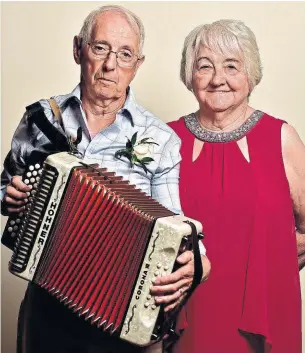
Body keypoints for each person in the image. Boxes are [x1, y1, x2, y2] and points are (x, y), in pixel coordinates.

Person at [1, 5, 210, 353]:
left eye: (125, 54)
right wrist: (10, 194)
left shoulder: (159, 140)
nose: (111, 65)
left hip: (119, 311)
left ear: (137, 65)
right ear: (78, 49)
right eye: (100, 48)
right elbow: (5, 184)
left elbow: (173, 220)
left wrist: (196, 261)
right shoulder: (41, 119)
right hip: (46, 305)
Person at [152, 20, 305, 353]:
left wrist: (275, 265)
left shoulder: (281, 138)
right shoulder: (164, 140)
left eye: (231, 66)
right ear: (189, 75)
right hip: (186, 317)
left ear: (251, 75)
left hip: (262, 320)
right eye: (205, 66)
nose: (218, 78)